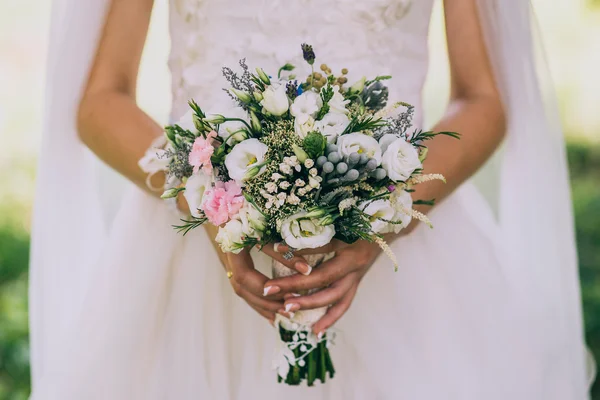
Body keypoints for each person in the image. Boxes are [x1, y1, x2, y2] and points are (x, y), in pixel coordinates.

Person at [30, 0, 591, 398]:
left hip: (406, 269)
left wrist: (388, 216)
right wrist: (210, 204)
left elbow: (483, 99)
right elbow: (100, 101)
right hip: (194, 270)